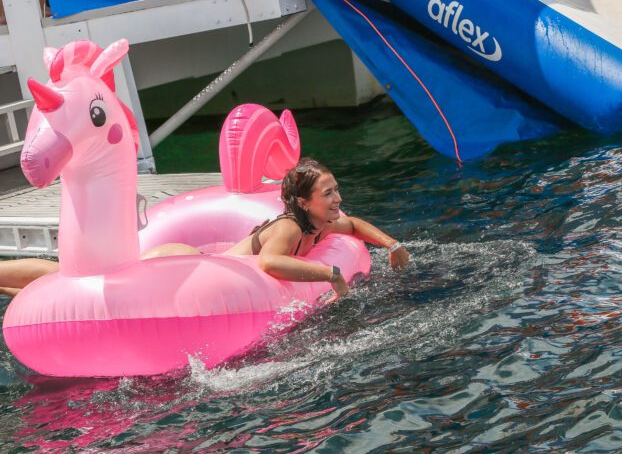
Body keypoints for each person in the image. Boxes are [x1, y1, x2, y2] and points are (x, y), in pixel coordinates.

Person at [0, 158, 408, 299]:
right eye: (329, 193)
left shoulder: (326, 221)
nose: (338, 199)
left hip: (197, 267)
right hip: (182, 265)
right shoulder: (287, 227)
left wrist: (391, 244)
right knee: (78, 280)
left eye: (336, 190)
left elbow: (353, 225)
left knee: (74, 291)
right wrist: (331, 273)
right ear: (304, 202)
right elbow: (270, 262)